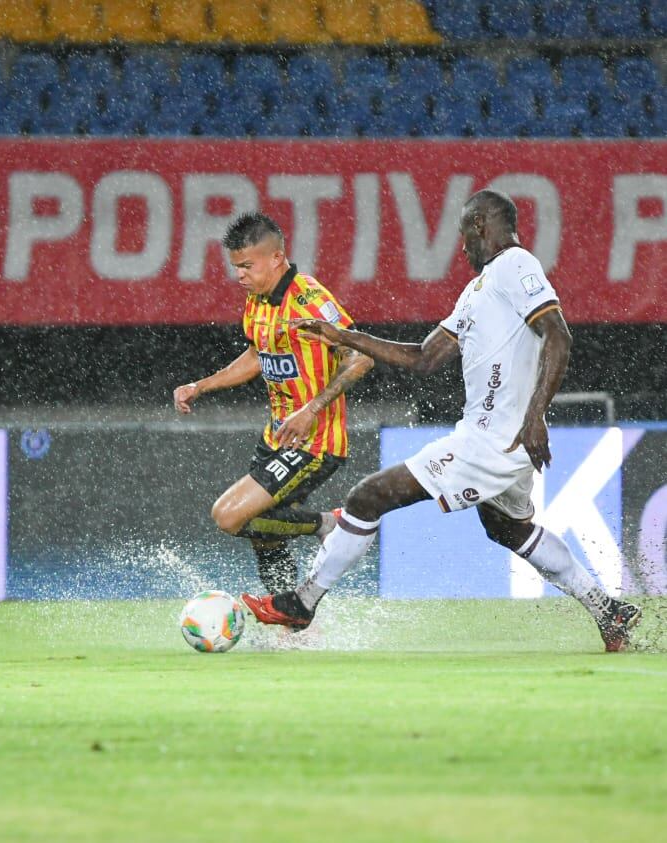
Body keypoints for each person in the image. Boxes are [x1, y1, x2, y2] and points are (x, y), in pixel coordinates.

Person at [241, 189, 642, 652]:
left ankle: (303, 602)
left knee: (367, 497)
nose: (462, 248)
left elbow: (558, 335)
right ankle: (609, 612)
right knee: (508, 528)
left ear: (479, 227)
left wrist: (535, 417)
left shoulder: (515, 264)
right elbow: (424, 357)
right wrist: (341, 335)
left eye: (462, 236)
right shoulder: (477, 291)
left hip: (492, 441)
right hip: (497, 440)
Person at [173, 212, 373, 594]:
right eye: (236, 267)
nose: (240, 275)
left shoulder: (310, 300)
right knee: (265, 534)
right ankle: (288, 621)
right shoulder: (257, 301)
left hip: (315, 442)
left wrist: (310, 409)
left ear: (277, 258)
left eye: (247, 265)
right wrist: (201, 385)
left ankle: (331, 525)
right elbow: (255, 356)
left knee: (229, 516)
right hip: (277, 438)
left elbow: (360, 357)